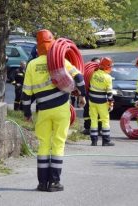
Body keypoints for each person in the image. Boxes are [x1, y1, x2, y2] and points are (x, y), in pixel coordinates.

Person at [22, 29, 86, 192]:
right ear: (53, 44)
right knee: (58, 144)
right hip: (61, 110)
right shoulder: (60, 61)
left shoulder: (32, 65)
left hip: (43, 110)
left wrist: (27, 112)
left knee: (43, 144)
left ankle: (42, 183)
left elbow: (26, 92)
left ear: (38, 47)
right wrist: (82, 95)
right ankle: (55, 182)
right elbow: (79, 78)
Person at [88, 57, 114, 146]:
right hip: (102, 102)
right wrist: (111, 104)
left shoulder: (93, 73)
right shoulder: (108, 78)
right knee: (105, 120)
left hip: (92, 100)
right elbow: (109, 94)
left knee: (93, 120)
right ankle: (106, 141)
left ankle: (94, 141)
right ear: (108, 67)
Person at [82, 57, 101, 135]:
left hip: (98, 96)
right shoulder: (87, 73)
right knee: (87, 111)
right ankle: (87, 128)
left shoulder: (102, 74)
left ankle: (99, 129)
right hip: (87, 93)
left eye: (98, 63)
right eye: (95, 63)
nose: (97, 65)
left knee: (99, 113)